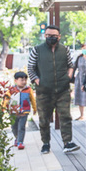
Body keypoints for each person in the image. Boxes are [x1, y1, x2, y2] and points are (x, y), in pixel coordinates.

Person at [27, 25, 79, 154]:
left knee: (66, 117)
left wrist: (69, 76)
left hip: (63, 90)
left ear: (59, 37)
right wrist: (37, 80)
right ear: (45, 36)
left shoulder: (65, 50)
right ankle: (45, 143)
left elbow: (70, 65)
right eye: (48, 35)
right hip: (44, 91)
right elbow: (30, 67)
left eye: (54, 36)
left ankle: (67, 143)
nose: (51, 38)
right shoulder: (37, 50)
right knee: (44, 119)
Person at [3, 71, 36, 150]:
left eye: (25, 80)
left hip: (24, 112)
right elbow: (6, 99)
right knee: (14, 127)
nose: (24, 82)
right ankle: (17, 138)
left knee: (21, 127)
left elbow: (32, 99)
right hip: (13, 112)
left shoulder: (28, 89)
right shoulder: (11, 90)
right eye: (21, 80)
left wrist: (35, 108)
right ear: (16, 81)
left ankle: (20, 142)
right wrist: (3, 107)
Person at [72, 47, 86, 120]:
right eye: (83, 48)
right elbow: (73, 67)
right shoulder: (79, 58)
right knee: (80, 97)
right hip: (80, 78)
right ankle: (81, 115)